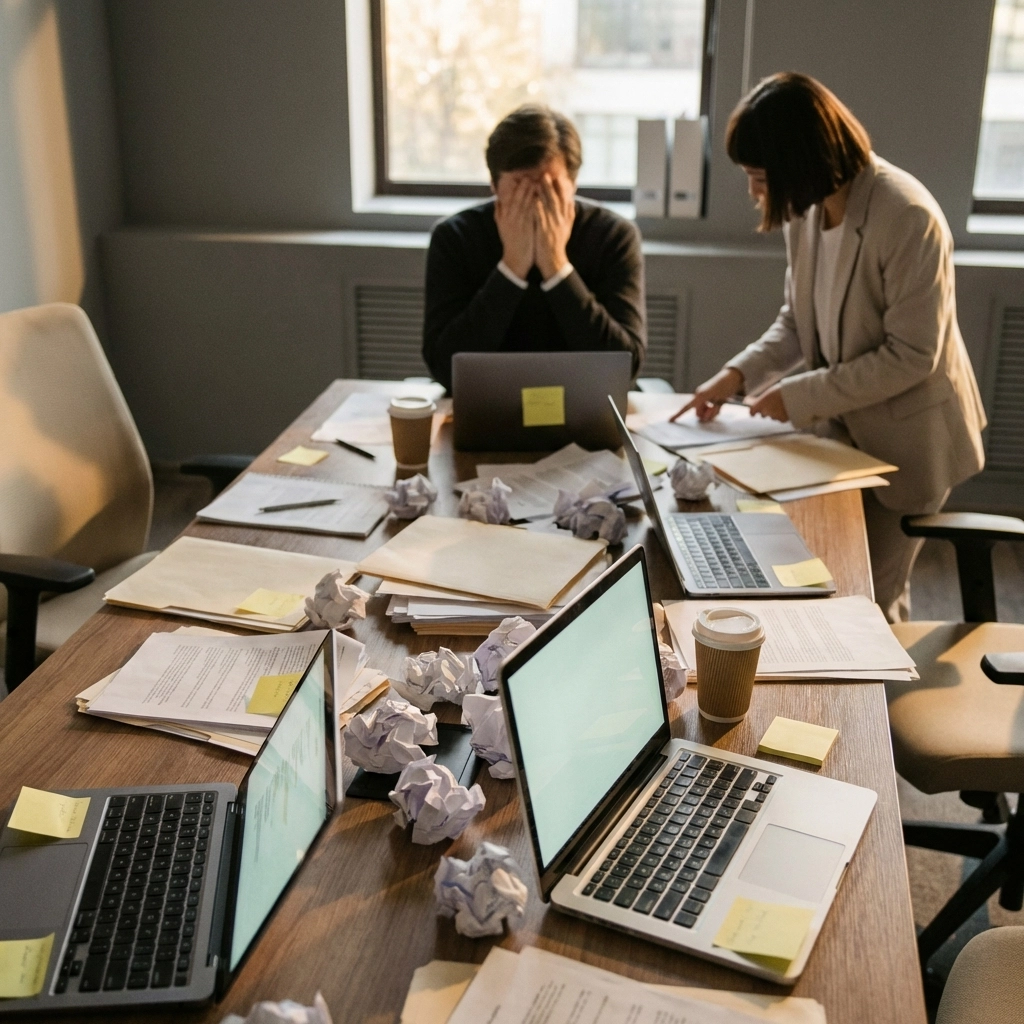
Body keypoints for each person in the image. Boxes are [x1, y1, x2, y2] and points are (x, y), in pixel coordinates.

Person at [672, 73, 986, 623]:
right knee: (845, 579)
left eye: (759, 177)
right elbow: (798, 322)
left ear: (800, 162)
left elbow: (913, 355)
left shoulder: (908, 217)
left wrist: (797, 395)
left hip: (910, 445)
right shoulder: (809, 210)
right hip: (845, 434)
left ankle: (879, 699)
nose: (754, 193)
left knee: (867, 605)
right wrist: (736, 376)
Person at [422, 104, 646, 393]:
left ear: (574, 183)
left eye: (549, 188)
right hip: (487, 403)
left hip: (588, 405)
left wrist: (557, 267)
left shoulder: (615, 236)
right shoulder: (454, 237)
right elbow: (444, 366)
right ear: (494, 185)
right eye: (520, 187)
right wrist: (512, 268)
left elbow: (625, 365)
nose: (536, 201)